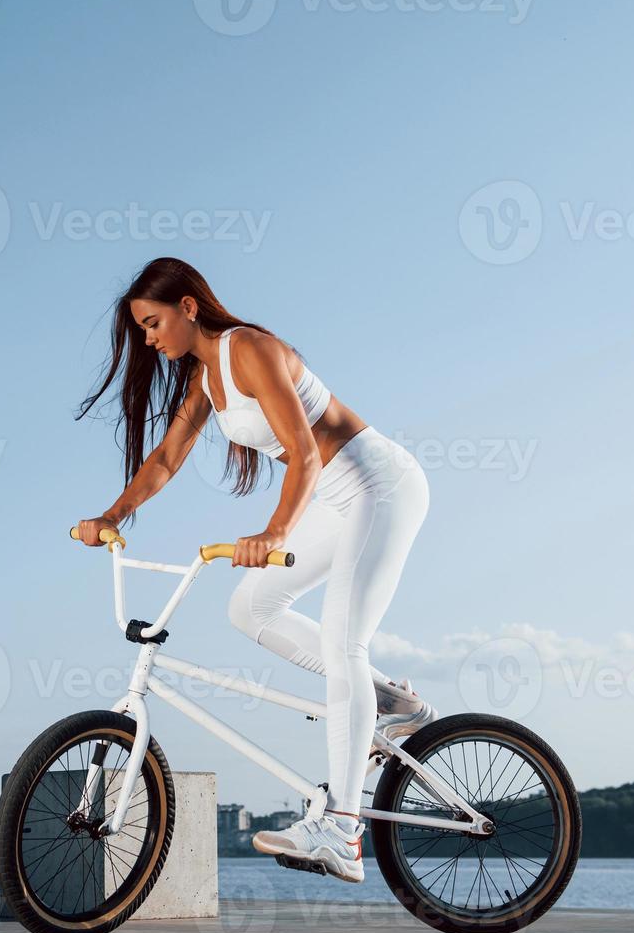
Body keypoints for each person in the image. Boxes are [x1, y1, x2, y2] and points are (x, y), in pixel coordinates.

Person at [74, 257, 436, 883]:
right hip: (333, 500)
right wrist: (112, 515)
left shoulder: (251, 350)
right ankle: (394, 701)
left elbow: (302, 451)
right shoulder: (206, 379)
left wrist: (273, 532)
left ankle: (342, 830)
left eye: (153, 323)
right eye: (142, 330)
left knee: (341, 638)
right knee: (250, 608)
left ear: (189, 307)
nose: (150, 339)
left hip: (378, 484)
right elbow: (165, 457)